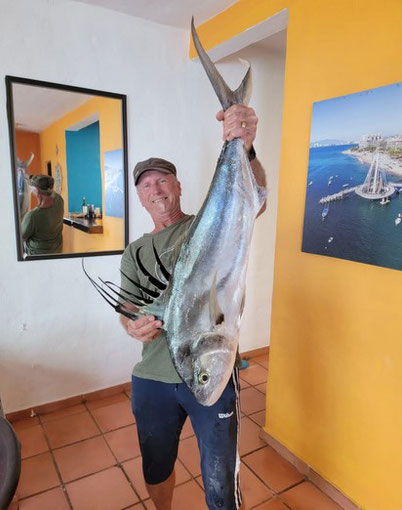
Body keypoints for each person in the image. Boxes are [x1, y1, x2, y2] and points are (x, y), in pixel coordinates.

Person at [119, 104, 266, 510]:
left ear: (178, 186)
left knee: (220, 474)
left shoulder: (209, 223)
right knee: (156, 464)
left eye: (162, 180)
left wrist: (246, 148)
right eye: (146, 186)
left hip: (210, 374)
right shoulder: (134, 251)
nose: (156, 190)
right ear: (140, 199)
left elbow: (255, 200)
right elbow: (126, 306)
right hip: (151, 376)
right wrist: (131, 326)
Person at [21, 174, 64, 255]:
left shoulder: (32, 216)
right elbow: (48, 189)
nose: (31, 191)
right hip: (57, 253)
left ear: (37, 192)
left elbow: (21, 237)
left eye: (31, 189)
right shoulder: (59, 200)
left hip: (38, 258)